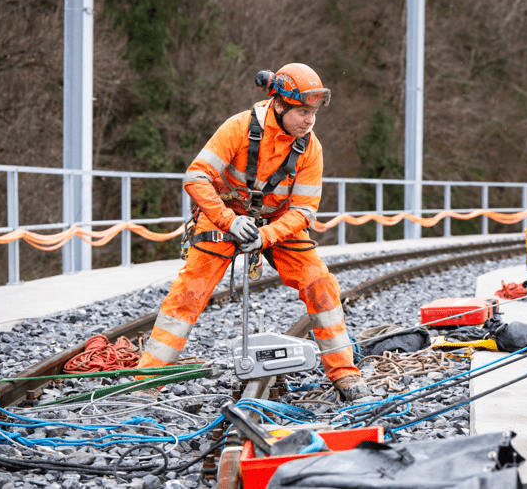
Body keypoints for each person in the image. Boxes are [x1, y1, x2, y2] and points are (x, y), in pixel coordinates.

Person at [133, 63, 367, 401]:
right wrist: (228, 220)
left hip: (278, 224)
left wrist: (267, 235)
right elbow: (196, 177)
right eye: (302, 111)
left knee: (320, 284)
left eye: (314, 112)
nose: (310, 120)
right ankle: (146, 381)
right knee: (188, 294)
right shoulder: (237, 129)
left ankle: (345, 375)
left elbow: (303, 211)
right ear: (280, 104)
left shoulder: (310, 148)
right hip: (222, 217)